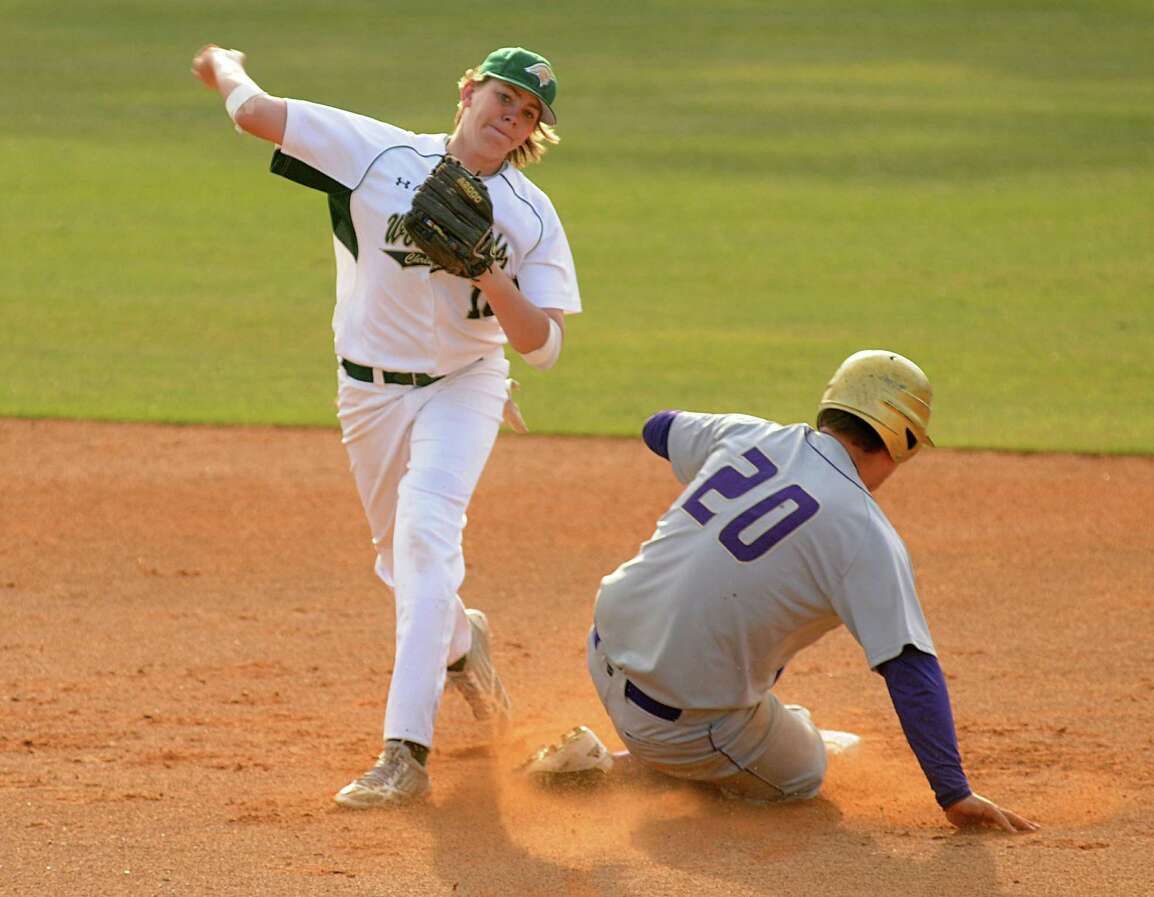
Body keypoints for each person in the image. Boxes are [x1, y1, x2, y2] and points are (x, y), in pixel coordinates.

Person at [191, 44, 582, 807]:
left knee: (426, 539)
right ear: (468, 92)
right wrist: (227, 67)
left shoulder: (532, 215)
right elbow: (254, 115)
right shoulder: (377, 153)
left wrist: (490, 275)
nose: (511, 116)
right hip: (366, 393)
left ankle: (404, 752)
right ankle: (466, 648)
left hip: (466, 388)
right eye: (503, 97)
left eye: (528, 111)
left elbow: (545, 347)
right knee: (404, 568)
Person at [526, 350, 1038, 833]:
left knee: (737, 673)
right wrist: (953, 792)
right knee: (804, 774)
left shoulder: (749, 434)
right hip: (678, 728)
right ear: (900, 441)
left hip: (600, 652)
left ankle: (744, 734)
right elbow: (909, 666)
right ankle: (620, 769)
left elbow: (657, 427)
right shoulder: (865, 532)